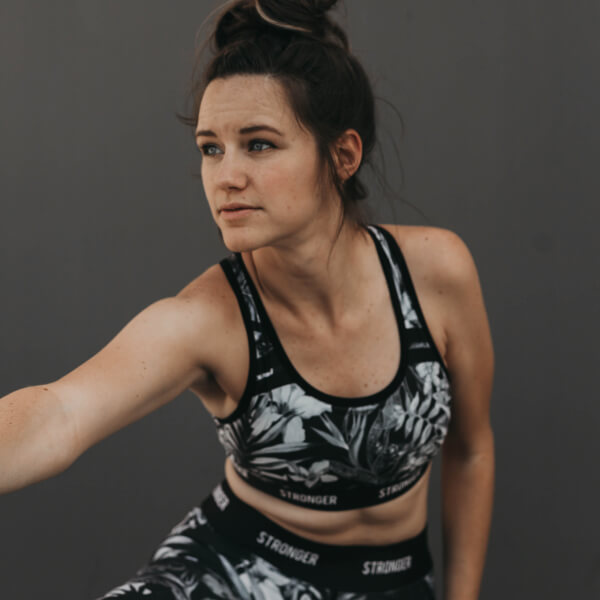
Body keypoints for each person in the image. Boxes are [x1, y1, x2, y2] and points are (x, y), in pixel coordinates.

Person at [0, 1, 495, 598]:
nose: (225, 175)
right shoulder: (208, 320)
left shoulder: (436, 272)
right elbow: (61, 413)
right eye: (211, 148)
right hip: (229, 574)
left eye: (258, 145)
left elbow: (470, 448)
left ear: (342, 155)